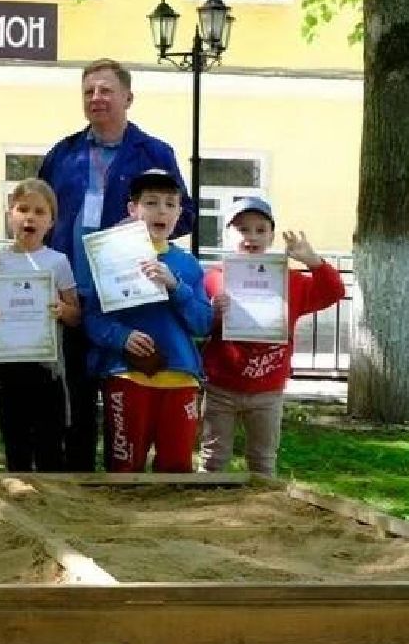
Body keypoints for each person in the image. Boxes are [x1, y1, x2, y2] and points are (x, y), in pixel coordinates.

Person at [38, 59, 192, 471]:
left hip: (127, 299)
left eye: (106, 90)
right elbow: (40, 210)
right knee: (74, 391)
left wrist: (140, 230)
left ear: (128, 97)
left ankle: (123, 474)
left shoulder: (154, 152)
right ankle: (76, 478)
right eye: (89, 92)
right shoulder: (63, 153)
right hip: (72, 291)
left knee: (126, 387)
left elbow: (185, 216)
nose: (97, 99)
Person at [75, 169, 212, 474]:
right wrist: (121, 338)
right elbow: (93, 318)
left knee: (177, 468)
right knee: (124, 467)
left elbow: (203, 323)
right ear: (132, 210)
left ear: (179, 213)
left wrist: (176, 287)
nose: (161, 210)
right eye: (150, 203)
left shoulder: (186, 265)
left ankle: (171, 523)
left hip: (180, 379)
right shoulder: (111, 259)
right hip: (127, 378)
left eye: (170, 203)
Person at [200, 199, 346, 475]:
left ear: (271, 235)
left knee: (263, 462)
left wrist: (313, 261)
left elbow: (333, 293)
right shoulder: (213, 278)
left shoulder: (291, 281)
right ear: (227, 235)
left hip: (267, 390)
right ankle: (209, 514)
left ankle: (263, 516)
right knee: (213, 461)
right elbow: (196, 323)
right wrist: (213, 314)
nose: (251, 237)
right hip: (222, 388)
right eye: (242, 229)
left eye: (260, 229)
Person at [0, 179, 82, 472]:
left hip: (46, 367)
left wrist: (62, 310)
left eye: (39, 212)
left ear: (51, 221)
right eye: (22, 209)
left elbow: (76, 314)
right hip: (8, 366)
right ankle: (19, 499)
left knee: (50, 441)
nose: (30, 217)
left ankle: (49, 503)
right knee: (15, 441)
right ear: (9, 214)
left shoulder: (58, 261)